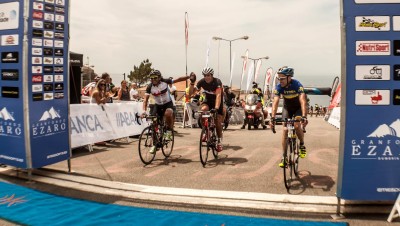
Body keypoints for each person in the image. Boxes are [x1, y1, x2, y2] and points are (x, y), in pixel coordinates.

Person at [142, 70, 190, 153]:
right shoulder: (150, 87)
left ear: (159, 77)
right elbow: (145, 100)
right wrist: (144, 111)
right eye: (151, 78)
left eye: (155, 78)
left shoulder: (165, 82)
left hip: (168, 104)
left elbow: (178, 79)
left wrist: (189, 77)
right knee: (154, 123)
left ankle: (168, 131)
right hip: (157, 105)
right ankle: (155, 144)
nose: (153, 79)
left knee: (168, 114)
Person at [269, 66, 308, 168]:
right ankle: (284, 156)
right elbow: (275, 102)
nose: (280, 80)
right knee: (285, 129)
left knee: (296, 125)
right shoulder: (279, 87)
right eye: (279, 78)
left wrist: (304, 116)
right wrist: (272, 118)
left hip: (298, 108)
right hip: (287, 109)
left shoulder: (297, 85)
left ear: (289, 77)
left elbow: (303, 101)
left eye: (282, 78)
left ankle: (302, 144)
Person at [191, 67, 225, 152]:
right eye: (205, 75)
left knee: (217, 122)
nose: (207, 77)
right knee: (203, 110)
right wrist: (192, 83)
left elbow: (218, 96)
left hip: (217, 102)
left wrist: (216, 108)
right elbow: (192, 92)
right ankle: (206, 131)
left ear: (212, 75)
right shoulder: (202, 81)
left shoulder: (217, 82)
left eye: (208, 75)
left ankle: (219, 141)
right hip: (208, 100)